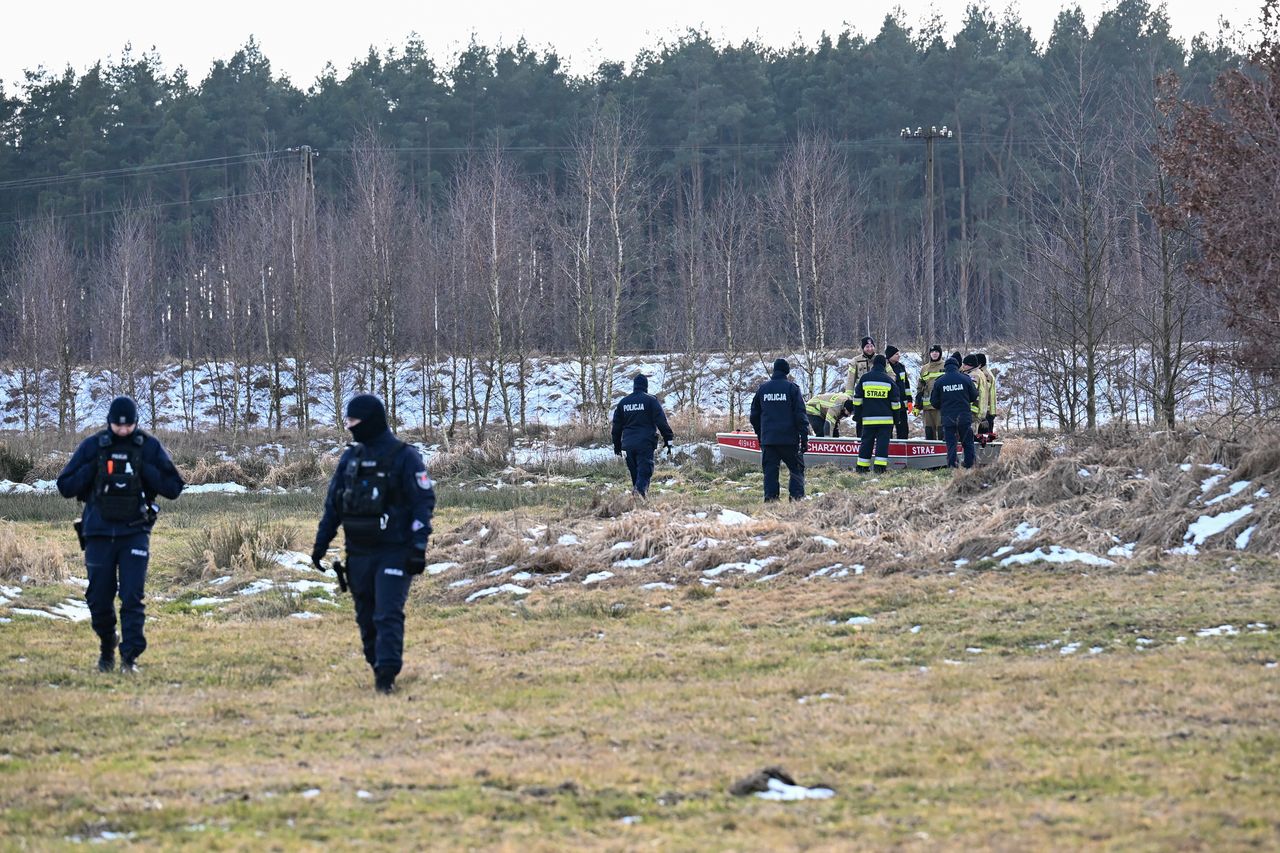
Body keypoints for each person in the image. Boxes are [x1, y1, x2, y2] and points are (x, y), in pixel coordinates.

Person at [312, 394, 436, 695]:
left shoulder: (404, 456)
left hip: (395, 550)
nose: (349, 426)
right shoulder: (350, 459)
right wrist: (321, 543)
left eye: (354, 421)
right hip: (358, 553)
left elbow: (423, 502)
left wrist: (418, 546)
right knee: (366, 616)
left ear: (369, 420)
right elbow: (334, 506)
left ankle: (386, 676)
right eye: (348, 421)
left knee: (387, 613)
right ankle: (376, 662)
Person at [55, 396, 185, 673]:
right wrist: (96, 467)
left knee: (132, 596)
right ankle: (106, 644)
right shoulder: (93, 446)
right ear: (109, 422)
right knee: (98, 598)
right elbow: (65, 486)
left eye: (128, 426)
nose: (123, 430)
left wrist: (142, 469)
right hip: (98, 533)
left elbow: (174, 487)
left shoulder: (148, 446)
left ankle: (129, 659)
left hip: (134, 532)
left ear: (136, 423)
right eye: (117, 425)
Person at [750, 358, 809, 502]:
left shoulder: (762, 389)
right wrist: (804, 438)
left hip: (769, 440)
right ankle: (796, 500)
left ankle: (771, 501)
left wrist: (760, 435)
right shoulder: (792, 389)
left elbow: (754, 416)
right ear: (786, 371)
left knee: (770, 472)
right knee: (796, 470)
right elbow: (800, 416)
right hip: (790, 440)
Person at [611, 373, 675, 498]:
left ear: (634, 386)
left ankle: (637, 501)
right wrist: (668, 438)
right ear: (645, 386)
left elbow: (616, 428)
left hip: (628, 444)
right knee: (645, 471)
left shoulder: (623, 403)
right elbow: (661, 421)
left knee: (636, 474)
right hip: (645, 443)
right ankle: (639, 496)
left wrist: (617, 446)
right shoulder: (650, 400)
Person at [850, 354, 901, 474]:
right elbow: (895, 403)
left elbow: (857, 399)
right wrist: (896, 418)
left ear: (873, 364)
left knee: (866, 443)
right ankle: (879, 469)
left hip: (868, 420)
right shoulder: (889, 380)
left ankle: (862, 468)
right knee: (882, 445)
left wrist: (858, 415)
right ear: (884, 365)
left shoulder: (864, 378)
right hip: (885, 421)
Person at [930, 357, 980, 469]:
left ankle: (953, 466)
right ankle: (970, 465)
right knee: (967, 442)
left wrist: (944, 405)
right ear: (957, 366)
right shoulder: (966, 379)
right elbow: (974, 396)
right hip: (964, 416)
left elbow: (934, 402)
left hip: (948, 418)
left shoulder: (939, 381)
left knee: (951, 444)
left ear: (945, 367)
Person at [844, 337, 877, 436]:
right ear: (863, 348)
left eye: (871, 346)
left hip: (877, 397)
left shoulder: (879, 359)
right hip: (862, 398)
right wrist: (848, 397)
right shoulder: (855, 361)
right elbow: (850, 381)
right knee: (861, 421)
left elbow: (890, 376)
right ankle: (860, 442)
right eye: (867, 346)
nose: (870, 349)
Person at [915, 344, 946, 441]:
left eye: (937, 352)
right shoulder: (924, 368)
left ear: (940, 353)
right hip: (927, 407)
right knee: (929, 432)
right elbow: (920, 387)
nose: (934, 354)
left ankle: (943, 453)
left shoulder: (945, 366)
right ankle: (930, 454)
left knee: (942, 431)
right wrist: (917, 404)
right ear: (929, 354)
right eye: (932, 352)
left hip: (941, 406)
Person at [884, 346, 912, 440]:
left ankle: (903, 447)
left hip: (902, 405)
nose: (899, 356)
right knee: (888, 430)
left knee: (903, 430)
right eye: (896, 354)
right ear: (890, 356)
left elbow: (906, 385)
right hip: (888, 405)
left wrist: (909, 400)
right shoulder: (884, 368)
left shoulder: (901, 367)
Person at [961, 355, 990, 431]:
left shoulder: (973, 375)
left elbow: (969, 392)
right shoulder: (980, 373)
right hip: (979, 410)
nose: (963, 366)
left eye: (965, 364)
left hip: (972, 411)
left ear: (971, 365)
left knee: (970, 434)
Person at [977, 353, 998, 434]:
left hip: (984, 411)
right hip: (989, 411)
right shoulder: (988, 374)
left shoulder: (983, 375)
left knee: (983, 436)